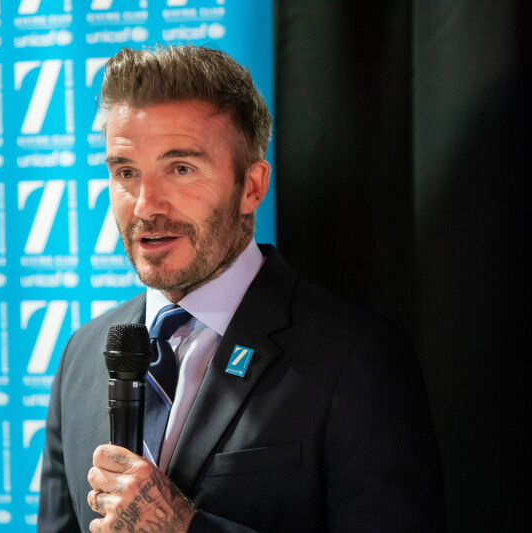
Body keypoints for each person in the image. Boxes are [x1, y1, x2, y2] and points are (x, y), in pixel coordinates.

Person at [38, 44, 445, 532]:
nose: (146, 206)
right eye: (126, 171)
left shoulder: (354, 359)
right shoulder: (81, 356)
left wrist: (186, 528)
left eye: (180, 168)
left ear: (252, 187)